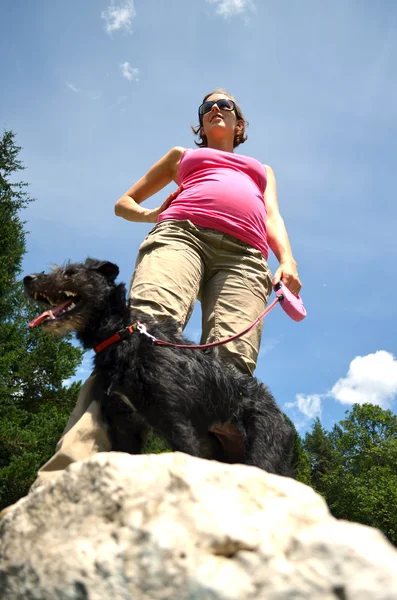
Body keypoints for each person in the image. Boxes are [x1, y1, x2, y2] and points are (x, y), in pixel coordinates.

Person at [13, 89, 302, 497]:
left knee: (233, 368)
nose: (216, 109)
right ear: (200, 124)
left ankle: (226, 494)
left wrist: (286, 260)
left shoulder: (261, 168)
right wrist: (152, 213)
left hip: (245, 255)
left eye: (226, 106)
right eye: (207, 107)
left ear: (240, 125)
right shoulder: (182, 156)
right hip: (181, 235)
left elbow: (272, 214)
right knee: (133, 337)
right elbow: (124, 202)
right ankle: (69, 478)